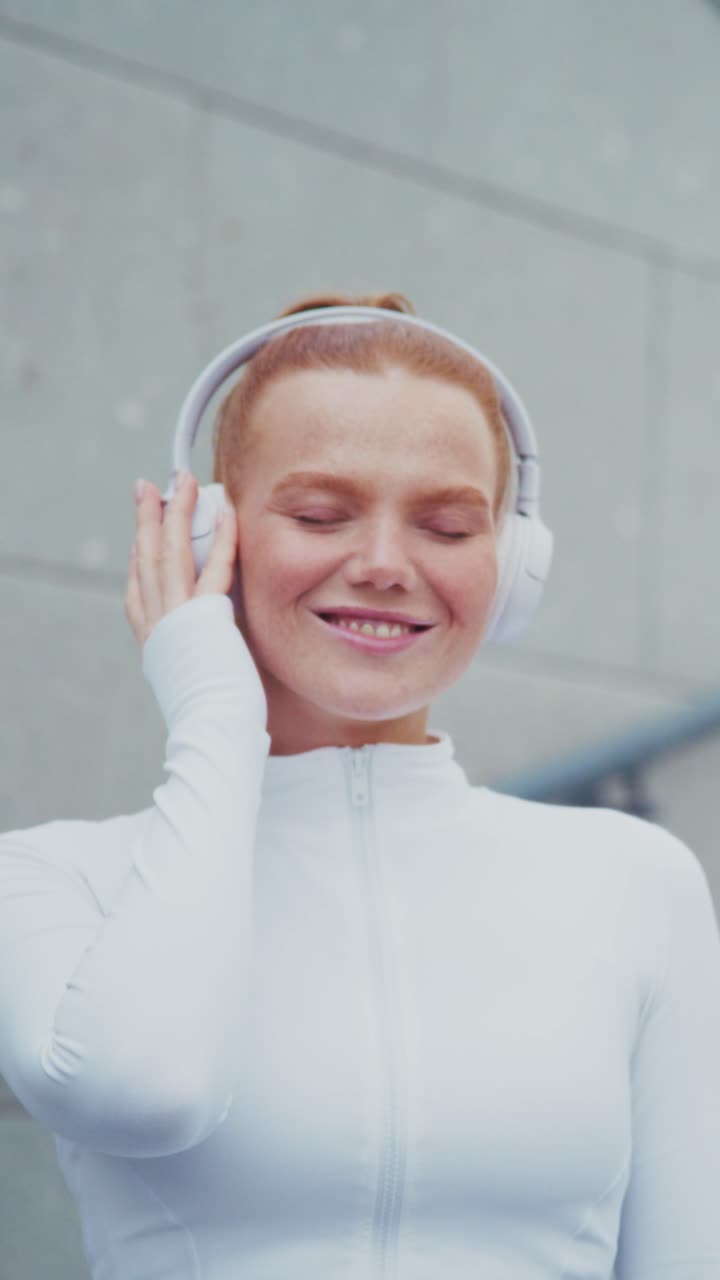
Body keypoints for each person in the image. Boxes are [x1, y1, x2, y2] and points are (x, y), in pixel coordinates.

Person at [0, 291, 719, 1280]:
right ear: (211, 536)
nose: (385, 564)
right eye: (320, 513)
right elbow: (144, 1087)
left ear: (512, 570)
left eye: (449, 525)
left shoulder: (638, 879)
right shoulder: (56, 877)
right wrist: (213, 711)